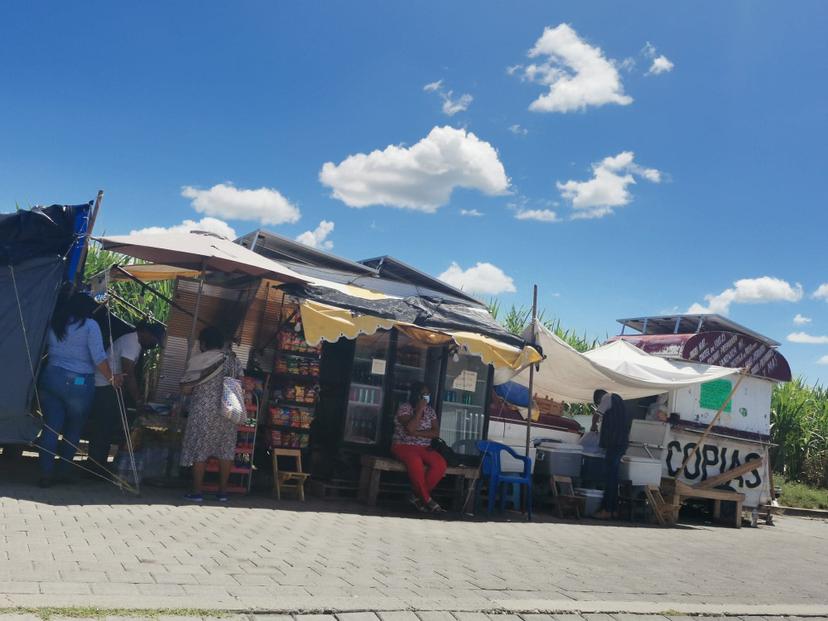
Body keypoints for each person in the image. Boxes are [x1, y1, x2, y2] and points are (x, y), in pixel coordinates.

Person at [38, 292, 121, 487]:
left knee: (50, 427)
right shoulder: (90, 326)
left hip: (51, 376)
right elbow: (99, 357)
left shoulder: (56, 322)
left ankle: (45, 473)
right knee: (74, 428)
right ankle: (64, 472)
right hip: (79, 382)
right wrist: (112, 378)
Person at [85, 320, 165, 477]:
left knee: (105, 428)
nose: (153, 344)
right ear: (147, 333)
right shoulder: (132, 343)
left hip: (109, 385)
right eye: (154, 340)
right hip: (105, 386)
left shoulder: (133, 342)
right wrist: (138, 399)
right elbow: (129, 375)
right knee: (103, 428)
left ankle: (97, 465)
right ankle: (94, 468)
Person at [179, 326, 242, 503]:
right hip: (228, 411)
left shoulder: (199, 360)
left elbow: (185, 388)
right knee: (226, 451)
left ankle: (197, 492)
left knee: (200, 450)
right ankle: (222, 493)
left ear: (203, 343)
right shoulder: (233, 360)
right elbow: (241, 383)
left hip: (203, 412)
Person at [391, 381, 447, 513]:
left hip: (424, 447)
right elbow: (410, 428)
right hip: (403, 445)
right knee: (415, 463)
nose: (426, 397)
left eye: (428, 394)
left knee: (440, 464)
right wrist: (419, 410)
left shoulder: (431, 411)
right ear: (416, 395)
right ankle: (427, 499)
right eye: (423, 394)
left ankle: (415, 496)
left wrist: (417, 433)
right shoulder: (405, 408)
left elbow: (435, 432)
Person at [591, 389, 630, 520]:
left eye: (598, 402)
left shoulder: (607, 397)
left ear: (599, 399)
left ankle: (607, 509)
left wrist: (593, 428)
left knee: (610, 478)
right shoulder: (619, 401)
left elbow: (596, 415)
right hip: (621, 443)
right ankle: (613, 510)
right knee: (613, 478)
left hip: (614, 444)